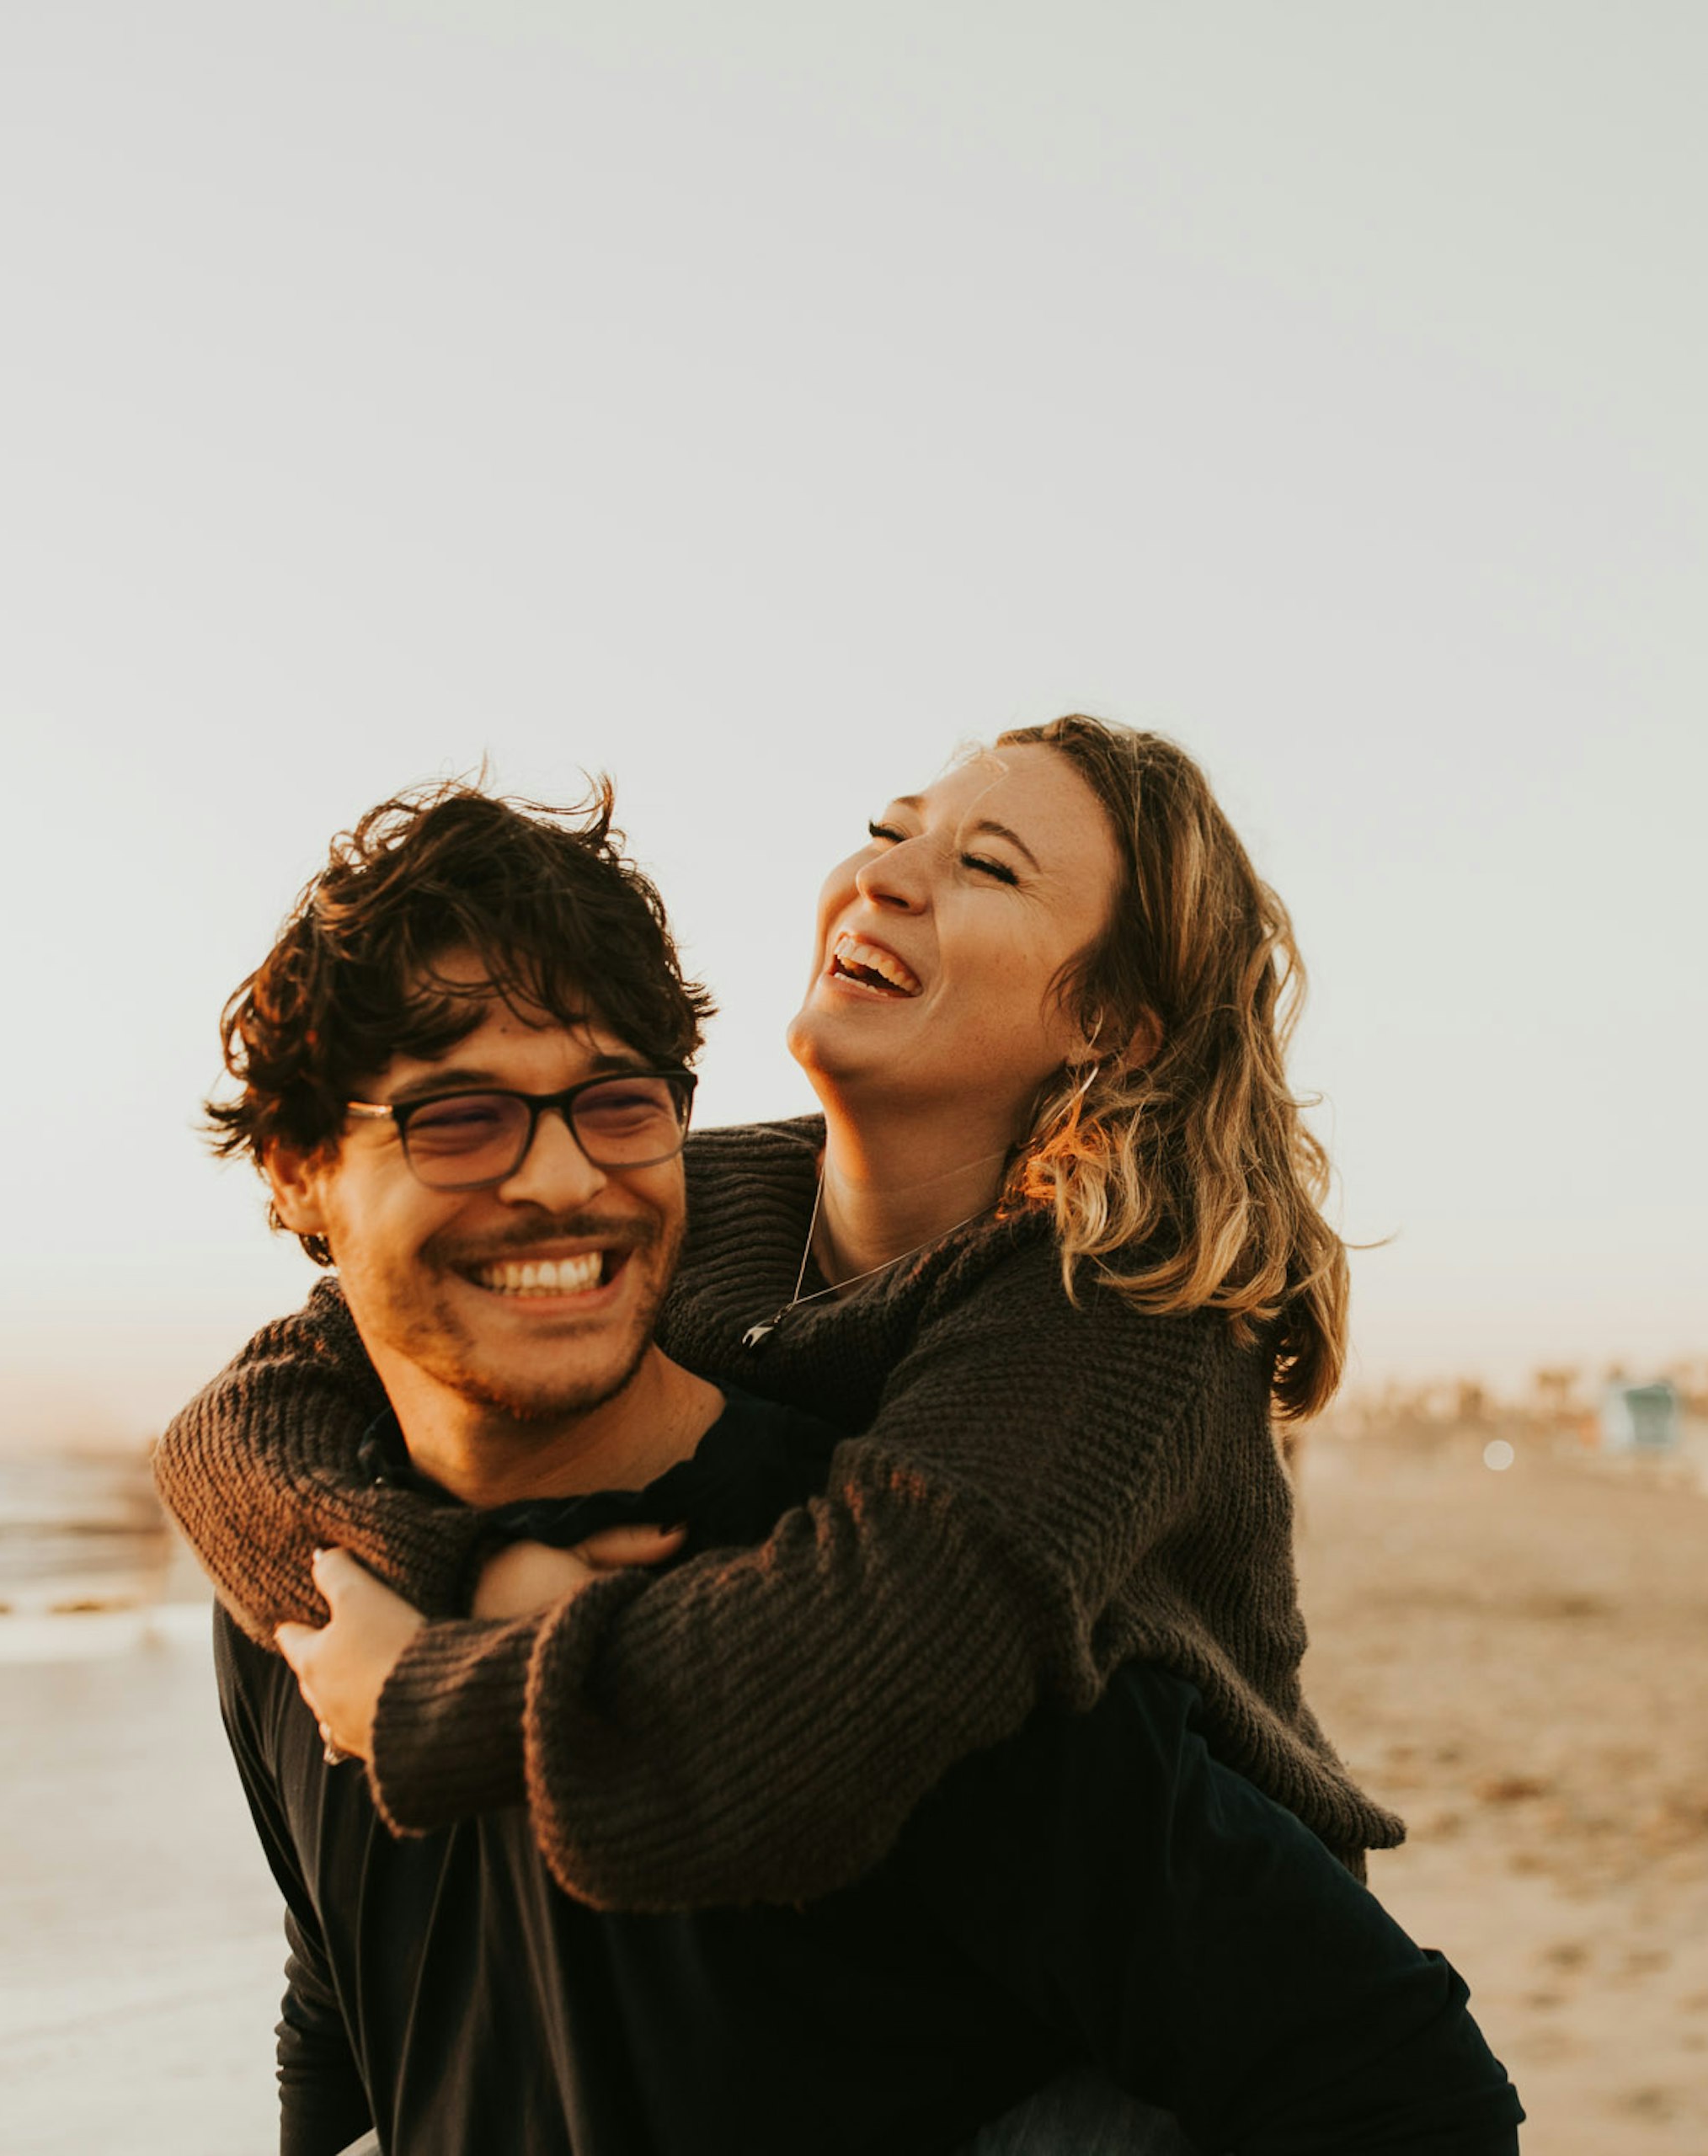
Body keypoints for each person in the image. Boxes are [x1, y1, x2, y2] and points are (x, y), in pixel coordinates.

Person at [178, 768, 1520, 2152]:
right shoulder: (332, 1563)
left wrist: (426, 1693)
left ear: (1112, 1021)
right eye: (457, 1118)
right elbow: (351, 1983)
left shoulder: (1096, 1336)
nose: (562, 1177)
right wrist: (433, 1576)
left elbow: (1387, 2073)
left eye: (991, 867)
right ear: (298, 1175)